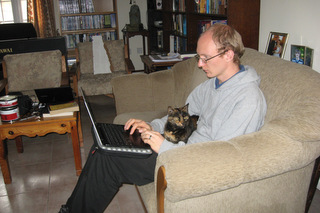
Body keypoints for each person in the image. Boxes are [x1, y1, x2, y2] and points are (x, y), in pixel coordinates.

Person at [59, 24, 267, 213]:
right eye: (198, 58)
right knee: (104, 146)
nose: (199, 65)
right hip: (181, 149)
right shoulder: (211, 86)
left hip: (193, 163)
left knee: (107, 160)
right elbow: (180, 115)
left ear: (229, 54)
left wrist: (165, 149)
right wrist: (152, 127)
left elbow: (221, 156)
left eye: (205, 58)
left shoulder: (247, 99)